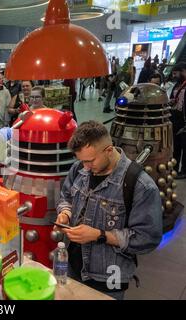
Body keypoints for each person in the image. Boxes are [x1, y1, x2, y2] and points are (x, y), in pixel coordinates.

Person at [55, 120, 162, 300]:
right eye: (82, 161)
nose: (86, 167)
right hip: (73, 266)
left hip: (107, 277)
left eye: (90, 161)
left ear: (109, 150)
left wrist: (100, 235)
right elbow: (66, 196)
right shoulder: (80, 168)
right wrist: (65, 213)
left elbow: (147, 238)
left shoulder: (140, 186)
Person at [168, 63, 186, 178]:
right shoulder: (177, 85)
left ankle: (184, 171)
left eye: (176, 73)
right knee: (176, 146)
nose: (174, 76)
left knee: (185, 146)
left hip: (184, 120)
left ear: (183, 71)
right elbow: (172, 98)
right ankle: (174, 168)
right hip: (176, 118)